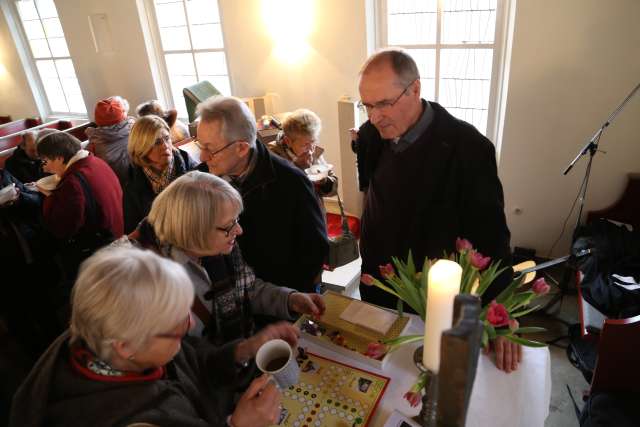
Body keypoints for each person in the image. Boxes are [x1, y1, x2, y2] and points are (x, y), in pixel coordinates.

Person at [354, 48, 517, 372]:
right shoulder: (372, 135)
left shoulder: (469, 149)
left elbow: (491, 237)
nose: (374, 116)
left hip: (431, 298)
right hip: (378, 287)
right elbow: (373, 192)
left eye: (384, 103)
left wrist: (502, 314)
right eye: (367, 105)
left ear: (415, 89)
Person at [9, 246, 291, 427]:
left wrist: (244, 349)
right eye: (176, 323)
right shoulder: (126, 418)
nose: (190, 323)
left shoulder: (115, 338)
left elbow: (196, 362)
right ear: (126, 347)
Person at [128, 171, 325, 341]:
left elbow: (246, 288)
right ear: (195, 230)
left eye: (236, 220)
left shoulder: (217, 244)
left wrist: (290, 299)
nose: (239, 230)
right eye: (229, 225)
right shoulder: (139, 278)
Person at [195, 96, 329, 294]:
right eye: (201, 146)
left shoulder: (291, 181)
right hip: (227, 301)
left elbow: (314, 250)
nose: (202, 157)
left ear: (241, 148)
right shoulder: (200, 180)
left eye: (210, 149)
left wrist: (288, 300)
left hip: (281, 301)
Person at [36, 130, 123, 278]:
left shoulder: (72, 183)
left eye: (45, 161)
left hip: (97, 252)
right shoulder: (95, 161)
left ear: (59, 157)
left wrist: (50, 197)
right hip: (116, 233)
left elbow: (63, 228)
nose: (44, 168)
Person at [123, 115, 197, 233]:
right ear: (141, 147)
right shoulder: (131, 182)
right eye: (157, 142)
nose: (165, 146)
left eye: (167, 138)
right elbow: (134, 232)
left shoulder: (191, 169)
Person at [268, 108, 338, 215]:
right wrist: (300, 169)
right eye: (305, 145)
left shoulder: (314, 150)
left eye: (313, 141)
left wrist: (323, 181)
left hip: (315, 214)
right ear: (288, 141)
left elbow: (333, 189)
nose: (310, 150)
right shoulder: (272, 156)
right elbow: (278, 194)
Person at [86, 96, 135, 184]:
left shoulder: (93, 142)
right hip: (138, 184)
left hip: (112, 186)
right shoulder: (136, 130)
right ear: (122, 114)